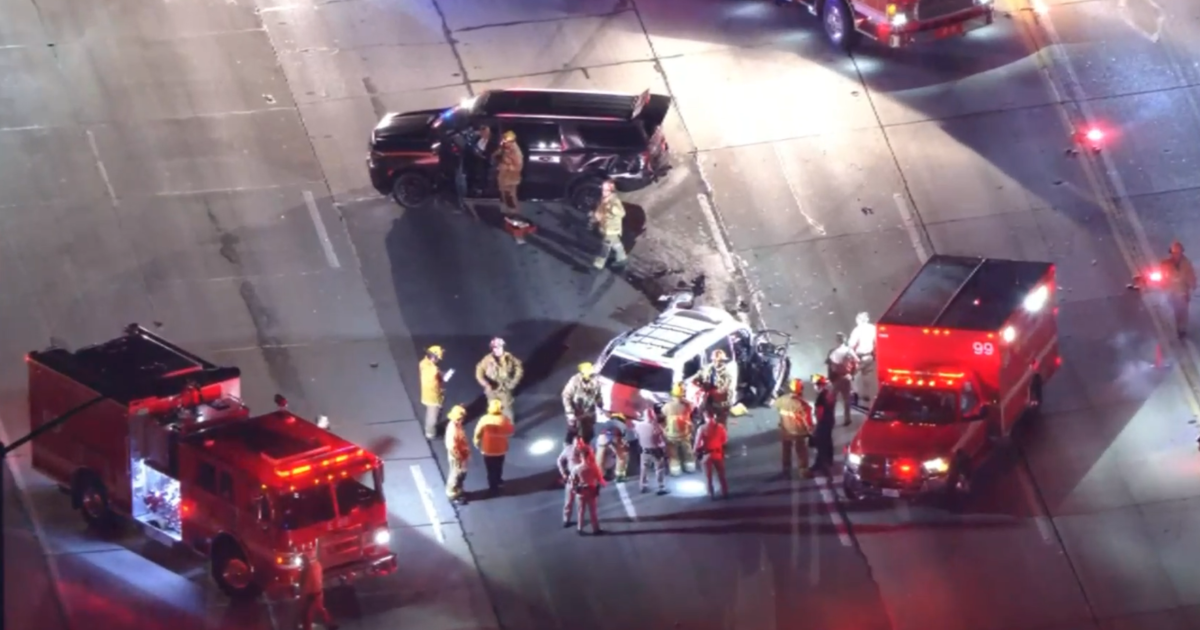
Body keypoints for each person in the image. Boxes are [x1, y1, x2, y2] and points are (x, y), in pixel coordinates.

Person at [475, 337, 524, 421]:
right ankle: (495, 426)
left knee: (507, 409)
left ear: (503, 347)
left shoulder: (509, 358)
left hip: (505, 388)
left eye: (498, 347)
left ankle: (508, 427)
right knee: (493, 409)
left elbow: (519, 367)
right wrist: (485, 384)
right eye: (494, 348)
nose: (496, 350)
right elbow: (479, 371)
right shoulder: (487, 359)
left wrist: (514, 381)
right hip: (492, 389)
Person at [772, 379, 813, 478]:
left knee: (786, 450)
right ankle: (803, 471)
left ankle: (786, 469)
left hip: (785, 430)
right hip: (798, 432)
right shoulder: (802, 404)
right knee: (801, 451)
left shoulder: (781, 400)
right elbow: (807, 420)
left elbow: (777, 409)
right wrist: (810, 431)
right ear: (801, 389)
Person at [473, 399, 514, 494]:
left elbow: (478, 432)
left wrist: (476, 441)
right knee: (499, 466)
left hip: (488, 449)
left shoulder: (484, 419)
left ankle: (493, 487)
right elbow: (510, 431)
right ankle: (499, 480)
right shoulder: (504, 419)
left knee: (490, 469)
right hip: (501, 449)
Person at [567, 440, 606, 535]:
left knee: (581, 511)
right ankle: (595, 529)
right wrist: (601, 484)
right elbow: (600, 480)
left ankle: (580, 528)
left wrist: (575, 490)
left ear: (581, 457)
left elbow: (572, 481)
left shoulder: (576, 468)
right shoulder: (593, 467)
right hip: (591, 491)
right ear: (589, 456)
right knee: (593, 512)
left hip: (581, 492)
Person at [1161, 241, 1197, 338]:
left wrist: (1193, 285)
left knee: (1184, 310)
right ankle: (1178, 327)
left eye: (1178, 253)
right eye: (1174, 253)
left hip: (1183, 291)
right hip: (1172, 291)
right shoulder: (1166, 264)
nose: (1176, 255)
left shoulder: (1187, 264)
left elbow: (1191, 276)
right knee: (1176, 310)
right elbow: (1161, 275)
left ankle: (1183, 329)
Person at [299, 541, 338, 630]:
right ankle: (330, 624)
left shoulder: (309, 570)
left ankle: (308, 628)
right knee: (320, 609)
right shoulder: (317, 565)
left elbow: (307, 586)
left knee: (308, 615)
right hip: (317, 593)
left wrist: (303, 597)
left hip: (312, 595)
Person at [561, 362, 602, 444]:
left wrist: (600, 404)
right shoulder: (575, 381)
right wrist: (570, 413)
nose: (592, 376)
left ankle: (586, 445)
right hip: (577, 410)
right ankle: (568, 445)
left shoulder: (595, 380)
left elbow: (598, 394)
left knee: (589, 432)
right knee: (573, 429)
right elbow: (566, 396)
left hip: (589, 410)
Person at [590, 179, 627, 270]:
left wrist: (612, 208)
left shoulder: (614, 201)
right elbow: (600, 212)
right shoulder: (604, 200)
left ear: (611, 191)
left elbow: (622, 213)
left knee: (605, 246)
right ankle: (622, 259)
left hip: (612, 229)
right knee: (616, 243)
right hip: (605, 227)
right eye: (602, 189)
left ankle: (598, 264)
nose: (603, 192)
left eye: (605, 190)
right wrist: (594, 218)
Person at [825, 333, 859, 427]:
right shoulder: (849, 351)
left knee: (832, 400)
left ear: (837, 340)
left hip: (835, 378)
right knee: (846, 400)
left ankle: (831, 419)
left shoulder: (832, 351)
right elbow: (857, 363)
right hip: (846, 378)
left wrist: (829, 378)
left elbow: (829, 365)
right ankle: (847, 419)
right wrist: (852, 375)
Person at [662, 383, 696, 476]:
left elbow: (662, 415)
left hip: (671, 435)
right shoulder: (686, 405)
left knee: (673, 453)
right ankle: (690, 467)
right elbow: (692, 408)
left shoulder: (667, 406)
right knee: (687, 451)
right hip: (685, 433)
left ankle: (675, 469)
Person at [693, 412, 729, 499]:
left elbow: (697, 444)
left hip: (707, 454)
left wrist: (695, 452)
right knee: (721, 474)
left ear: (705, 417)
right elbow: (724, 440)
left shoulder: (702, 428)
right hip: (717, 453)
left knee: (708, 476)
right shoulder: (720, 427)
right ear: (714, 416)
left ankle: (711, 493)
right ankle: (724, 492)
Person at [695, 349, 735, 425]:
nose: (717, 362)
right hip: (708, 400)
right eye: (715, 360)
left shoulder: (727, 374)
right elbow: (698, 376)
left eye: (720, 361)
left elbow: (726, 389)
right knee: (705, 417)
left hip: (720, 402)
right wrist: (697, 383)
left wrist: (715, 392)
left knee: (721, 423)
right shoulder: (707, 369)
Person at [632, 410, 668, 494]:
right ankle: (661, 487)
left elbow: (636, 436)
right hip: (656, 451)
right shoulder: (656, 427)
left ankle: (643, 486)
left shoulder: (638, 426)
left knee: (644, 469)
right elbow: (662, 440)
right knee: (659, 469)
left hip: (644, 450)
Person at [809, 375, 836, 476]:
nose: (814, 387)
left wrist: (815, 425)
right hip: (829, 421)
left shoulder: (820, 397)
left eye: (815, 385)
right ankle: (829, 460)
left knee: (821, 444)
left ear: (818, 385)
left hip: (823, 422)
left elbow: (820, 412)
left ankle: (821, 464)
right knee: (828, 441)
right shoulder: (828, 393)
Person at [848, 312, 877, 406]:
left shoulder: (858, 330)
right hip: (870, 356)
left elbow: (851, 346)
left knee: (850, 375)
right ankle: (868, 396)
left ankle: (854, 395)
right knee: (867, 376)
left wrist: (855, 358)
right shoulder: (873, 328)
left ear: (859, 319)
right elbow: (877, 342)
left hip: (859, 357)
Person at [420, 345, 448, 439]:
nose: (438, 361)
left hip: (427, 394)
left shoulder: (423, 363)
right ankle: (431, 433)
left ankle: (430, 430)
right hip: (433, 396)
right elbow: (436, 381)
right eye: (438, 359)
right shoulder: (433, 370)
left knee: (430, 413)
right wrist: (441, 390)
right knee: (433, 416)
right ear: (433, 357)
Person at [444, 405, 470, 504]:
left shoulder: (456, 425)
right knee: (455, 474)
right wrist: (459, 456)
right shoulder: (453, 429)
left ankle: (458, 490)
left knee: (461, 473)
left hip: (460, 454)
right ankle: (452, 494)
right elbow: (452, 446)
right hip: (456, 456)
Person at [493, 130, 523, 215]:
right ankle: (507, 212)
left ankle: (514, 214)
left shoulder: (516, 151)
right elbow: (496, 155)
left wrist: (507, 166)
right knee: (504, 194)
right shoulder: (504, 148)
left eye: (506, 141)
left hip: (511, 177)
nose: (504, 142)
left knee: (510, 195)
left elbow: (518, 166)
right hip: (504, 176)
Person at [594, 415, 630, 482]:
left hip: (603, 440)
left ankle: (599, 477)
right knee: (622, 455)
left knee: (600, 459)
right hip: (608, 440)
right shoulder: (619, 427)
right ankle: (620, 475)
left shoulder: (607, 425)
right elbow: (617, 441)